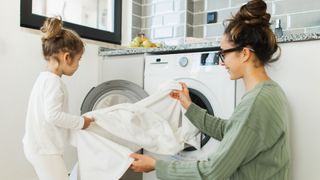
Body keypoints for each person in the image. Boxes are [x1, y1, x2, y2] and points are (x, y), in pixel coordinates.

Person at [129, 0, 290, 179]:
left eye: (224, 54)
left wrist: (156, 165)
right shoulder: (270, 92)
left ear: (244, 54)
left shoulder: (256, 102)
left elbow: (213, 172)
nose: (222, 62)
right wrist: (189, 106)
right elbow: (231, 131)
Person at [22, 17, 94, 180]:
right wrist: (81, 122)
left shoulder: (44, 78)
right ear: (67, 58)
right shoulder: (54, 83)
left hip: (38, 146)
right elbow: (53, 116)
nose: (79, 64)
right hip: (44, 150)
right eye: (79, 60)